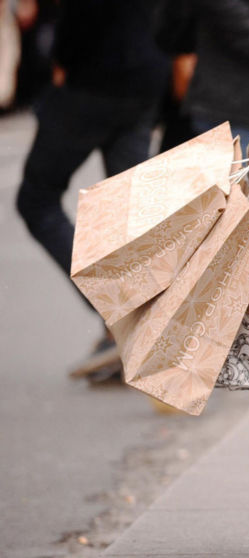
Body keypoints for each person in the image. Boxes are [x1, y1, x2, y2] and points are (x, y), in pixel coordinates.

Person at [15, 1, 168, 381]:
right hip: (145, 75)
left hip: (93, 80)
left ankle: (122, 315)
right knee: (124, 211)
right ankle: (134, 324)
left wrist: (61, 58)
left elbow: (82, 18)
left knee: (37, 200)